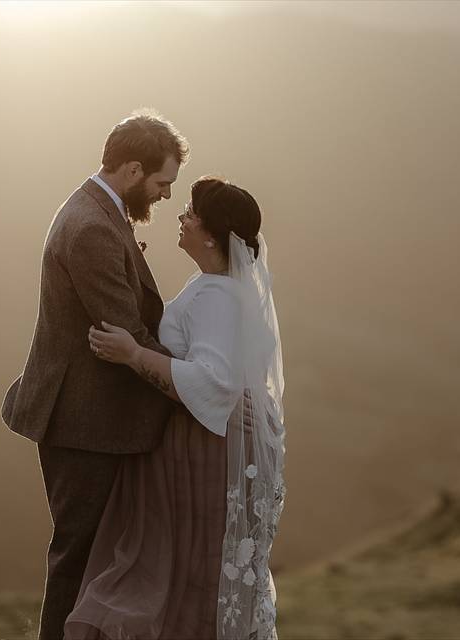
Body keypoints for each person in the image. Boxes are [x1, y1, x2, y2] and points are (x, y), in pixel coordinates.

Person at [66, 177, 286, 639]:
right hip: (209, 437)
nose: (181, 217)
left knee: (185, 569)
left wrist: (133, 354)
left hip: (200, 448)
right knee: (192, 568)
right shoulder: (215, 285)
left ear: (210, 234)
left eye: (190, 212)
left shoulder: (217, 297)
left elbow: (212, 380)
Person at [0, 109, 190, 640]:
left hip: (94, 420)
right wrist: (194, 385)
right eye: (161, 183)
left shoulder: (99, 213)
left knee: (91, 555)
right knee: (78, 555)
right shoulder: (91, 229)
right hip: (84, 422)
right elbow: (124, 330)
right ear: (132, 170)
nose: (165, 196)